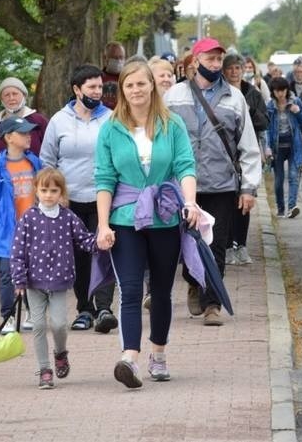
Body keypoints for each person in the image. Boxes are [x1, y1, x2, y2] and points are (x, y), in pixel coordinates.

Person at [94, 60, 198, 389]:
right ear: (122, 90)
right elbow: (104, 179)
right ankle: (130, 358)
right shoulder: (110, 128)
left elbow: (185, 166)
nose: (136, 90)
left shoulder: (173, 124)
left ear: (152, 85)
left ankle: (159, 353)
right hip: (124, 218)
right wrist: (102, 225)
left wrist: (191, 202)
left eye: (141, 84)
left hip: (164, 216)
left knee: (162, 291)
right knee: (130, 289)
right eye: (129, 85)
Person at [164, 37, 262, 326]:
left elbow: (248, 145)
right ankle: (194, 281)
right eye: (210, 59)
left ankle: (212, 303)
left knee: (216, 244)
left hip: (221, 184)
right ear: (195, 62)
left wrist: (248, 188)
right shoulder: (173, 96)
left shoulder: (234, 97)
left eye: (219, 59)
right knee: (184, 244)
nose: (216, 64)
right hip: (182, 184)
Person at [40, 64, 118, 334]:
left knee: (104, 250)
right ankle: (85, 309)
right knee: (80, 257)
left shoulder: (111, 119)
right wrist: (56, 195)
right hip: (70, 203)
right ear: (77, 89)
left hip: (103, 198)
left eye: (100, 87)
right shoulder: (59, 121)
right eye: (92, 87)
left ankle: (105, 308)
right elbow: (47, 162)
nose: (98, 92)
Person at [10, 168, 98, 389]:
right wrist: (19, 280)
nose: (48, 195)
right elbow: (18, 251)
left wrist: (101, 242)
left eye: (53, 190)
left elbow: (84, 239)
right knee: (38, 325)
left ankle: (60, 353)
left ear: (61, 193)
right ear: (36, 191)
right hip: (33, 282)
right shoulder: (29, 218)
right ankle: (44, 368)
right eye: (44, 190)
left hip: (59, 281)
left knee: (59, 324)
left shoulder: (68, 217)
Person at [0, 115, 44, 333]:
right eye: (23, 133)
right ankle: (9, 316)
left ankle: (33, 312)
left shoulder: (35, 162)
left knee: (34, 274)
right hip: (6, 233)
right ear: (9, 137)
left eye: (29, 132)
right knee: (7, 276)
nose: (29, 137)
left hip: (33, 231)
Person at [222, 53, 268, 265]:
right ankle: (228, 245)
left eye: (237, 68)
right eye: (230, 68)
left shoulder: (252, 93)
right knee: (228, 202)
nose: (234, 72)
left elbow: (264, 120)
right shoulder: (220, 93)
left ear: (243, 70)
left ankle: (241, 244)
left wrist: (247, 113)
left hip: (247, 153)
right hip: (226, 154)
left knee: (245, 199)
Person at [0, 77, 47, 205]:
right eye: (6, 95)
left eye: (15, 94)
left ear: (24, 95)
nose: (11, 98)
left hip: (35, 188)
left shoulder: (38, 122)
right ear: (2, 99)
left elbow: (50, 154)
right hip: (2, 192)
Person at [266, 76, 302, 219]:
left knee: (293, 177)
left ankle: (291, 207)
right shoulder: (270, 106)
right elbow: (266, 128)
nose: (281, 94)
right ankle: (280, 207)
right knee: (278, 180)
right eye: (277, 91)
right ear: (273, 91)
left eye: (283, 90)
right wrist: (266, 147)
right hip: (277, 146)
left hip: (294, 144)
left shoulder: (295, 102)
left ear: (287, 90)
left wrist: (297, 112)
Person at [101, 41, 126, 109]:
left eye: (121, 57)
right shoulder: (98, 78)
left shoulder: (127, 78)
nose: (119, 61)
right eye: (115, 58)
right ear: (105, 58)